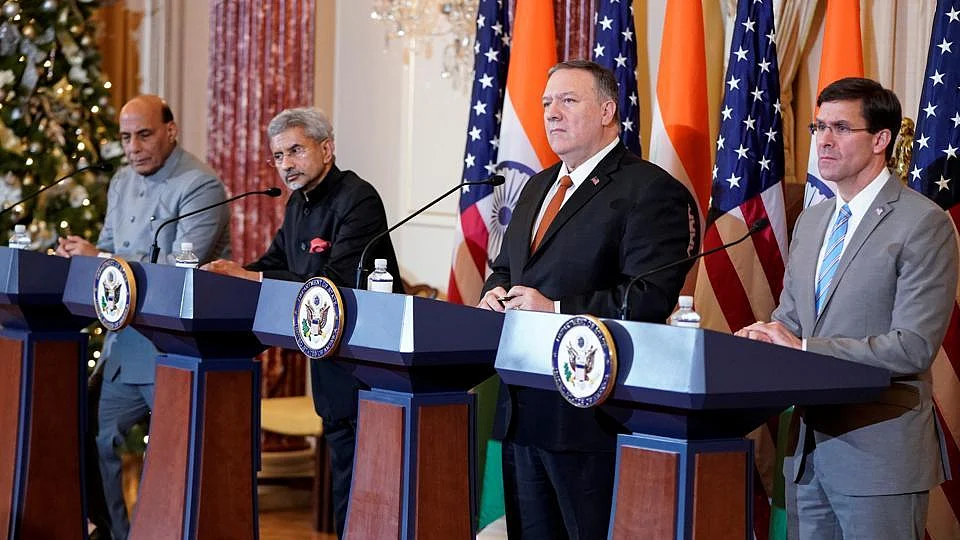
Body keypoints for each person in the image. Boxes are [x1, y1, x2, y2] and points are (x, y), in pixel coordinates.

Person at [477, 60, 699, 539]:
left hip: (590, 414)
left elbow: (648, 297)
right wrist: (492, 291)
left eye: (567, 101)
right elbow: (508, 267)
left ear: (607, 110)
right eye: (545, 104)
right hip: (521, 405)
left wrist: (556, 310)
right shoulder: (538, 185)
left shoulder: (651, 190)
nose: (551, 113)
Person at [736, 77, 957, 540]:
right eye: (818, 127)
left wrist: (802, 347)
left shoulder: (923, 223)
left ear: (880, 140)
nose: (824, 140)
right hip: (807, 455)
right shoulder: (814, 220)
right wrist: (762, 339)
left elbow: (913, 347)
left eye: (840, 127)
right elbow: (792, 319)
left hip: (878, 457)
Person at [202, 107, 401, 538]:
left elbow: (335, 283)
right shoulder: (297, 204)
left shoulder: (358, 199)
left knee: (371, 490)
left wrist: (251, 277)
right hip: (329, 368)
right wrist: (225, 276)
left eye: (295, 150)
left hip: (369, 367)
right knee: (346, 487)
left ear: (326, 149)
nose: (286, 164)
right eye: (278, 156)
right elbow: (275, 263)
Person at [56, 94, 231, 540]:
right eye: (125, 137)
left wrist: (104, 258)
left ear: (170, 131)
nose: (133, 147)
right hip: (126, 343)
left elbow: (180, 270)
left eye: (144, 134)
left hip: (179, 347)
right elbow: (107, 247)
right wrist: (81, 258)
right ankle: (114, 535)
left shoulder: (200, 185)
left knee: (180, 457)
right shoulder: (120, 181)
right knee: (92, 437)